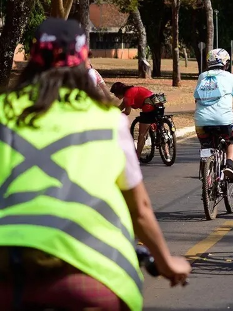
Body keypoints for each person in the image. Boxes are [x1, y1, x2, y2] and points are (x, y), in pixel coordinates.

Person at [0, 19, 190, 311]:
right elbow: (139, 210)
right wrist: (166, 262)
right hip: (88, 274)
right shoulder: (105, 120)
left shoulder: (4, 112)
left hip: (10, 269)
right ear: (83, 61)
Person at [194, 48, 233, 184]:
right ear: (226, 63)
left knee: (206, 146)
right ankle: (230, 164)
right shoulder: (231, 77)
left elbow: (197, 99)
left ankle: (207, 172)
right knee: (231, 140)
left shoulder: (202, 76)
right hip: (224, 120)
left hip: (201, 121)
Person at [110, 81, 161, 161]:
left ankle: (136, 158)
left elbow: (127, 112)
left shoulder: (128, 94)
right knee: (154, 122)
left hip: (148, 106)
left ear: (119, 91)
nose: (115, 96)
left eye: (115, 94)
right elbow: (121, 107)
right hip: (156, 102)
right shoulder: (130, 91)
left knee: (141, 135)